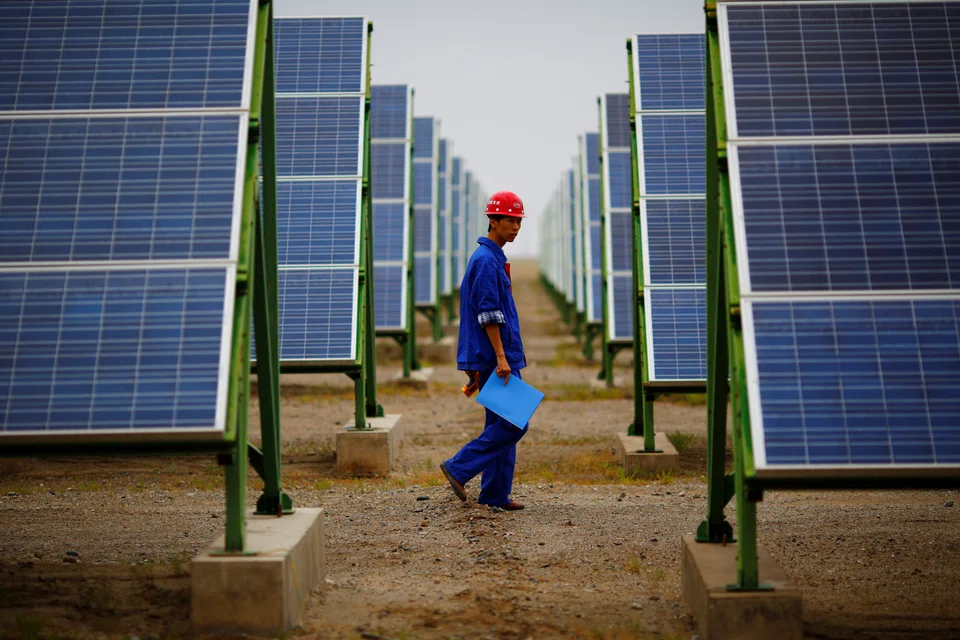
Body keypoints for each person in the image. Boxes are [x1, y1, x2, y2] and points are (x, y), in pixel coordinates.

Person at [440, 190, 528, 511]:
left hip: (493, 355)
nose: (515, 227)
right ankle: (458, 467)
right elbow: (488, 314)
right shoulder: (486, 261)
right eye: (509, 220)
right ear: (493, 220)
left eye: (518, 221)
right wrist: (501, 357)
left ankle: (495, 495)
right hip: (496, 357)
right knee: (515, 423)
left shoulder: (490, 258)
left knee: (500, 426)